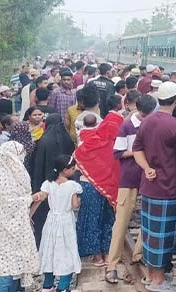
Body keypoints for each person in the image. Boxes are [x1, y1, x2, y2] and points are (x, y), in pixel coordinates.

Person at [132, 82, 176, 292]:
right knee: (163, 235)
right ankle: (158, 281)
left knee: (150, 233)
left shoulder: (147, 122)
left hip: (149, 187)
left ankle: (151, 275)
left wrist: (147, 168)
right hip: (168, 188)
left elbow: (137, 149)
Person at [104, 94, 156, 284]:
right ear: (137, 110)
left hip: (148, 177)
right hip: (129, 178)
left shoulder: (153, 124)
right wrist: (138, 152)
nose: (146, 118)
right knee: (121, 222)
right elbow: (117, 153)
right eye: (144, 115)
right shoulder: (127, 126)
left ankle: (138, 254)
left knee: (148, 219)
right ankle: (112, 264)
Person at [75, 95, 124, 267]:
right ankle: (105, 253)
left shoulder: (83, 142)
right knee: (106, 219)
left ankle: (98, 255)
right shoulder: (109, 143)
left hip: (91, 186)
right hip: (107, 187)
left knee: (94, 219)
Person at [0, 141, 39, 292]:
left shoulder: (10, 173)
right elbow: (10, 204)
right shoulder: (3, 177)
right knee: (6, 268)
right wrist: (32, 198)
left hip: (15, 227)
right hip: (3, 229)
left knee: (17, 266)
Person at [30, 154, 82, 292]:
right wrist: (78, 200)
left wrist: (29, 215)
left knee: (50, 251)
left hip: (51, 221)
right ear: (65, 170)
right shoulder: (72, 186)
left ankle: (47, 286)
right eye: (72, 168)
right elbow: (75, 205)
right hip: (66, 222)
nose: (74, 170)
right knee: (67, 252)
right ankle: (63, 287)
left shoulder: (48, 184)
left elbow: (39, 199)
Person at [29, 113, 76, 246]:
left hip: (47, 182)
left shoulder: (43, 141)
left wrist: (36, 186)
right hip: (65, 182)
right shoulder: (67, 139)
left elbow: (38, 166)